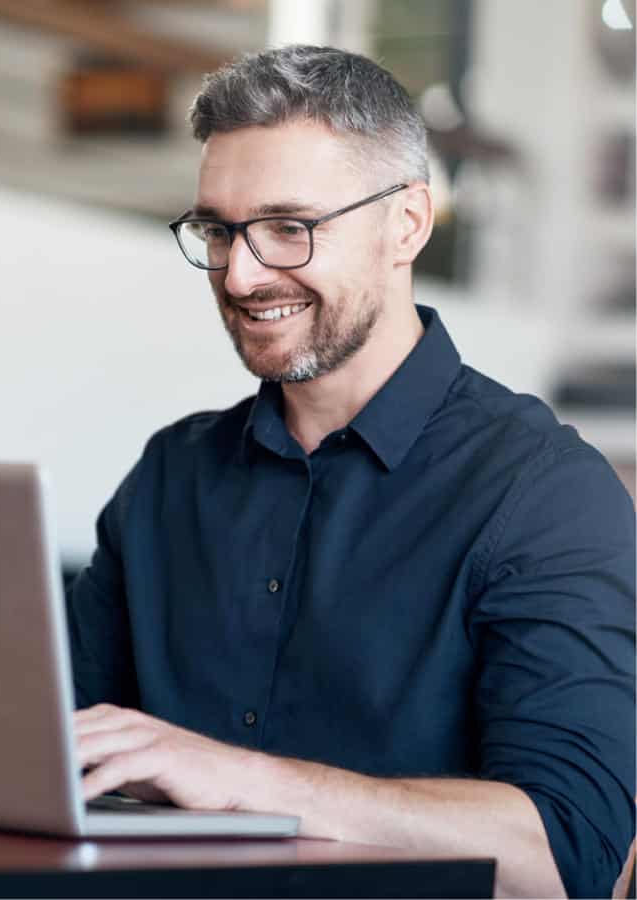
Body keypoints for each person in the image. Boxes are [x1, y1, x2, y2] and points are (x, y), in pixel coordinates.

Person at [65, 45, 635, 898]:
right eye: (218, 230)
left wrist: (245, 782)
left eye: (290, 227)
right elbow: (46, 755)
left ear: (406, 223)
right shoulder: (168, 476)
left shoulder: (546, 493)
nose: (243, 273)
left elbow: (560, 859)